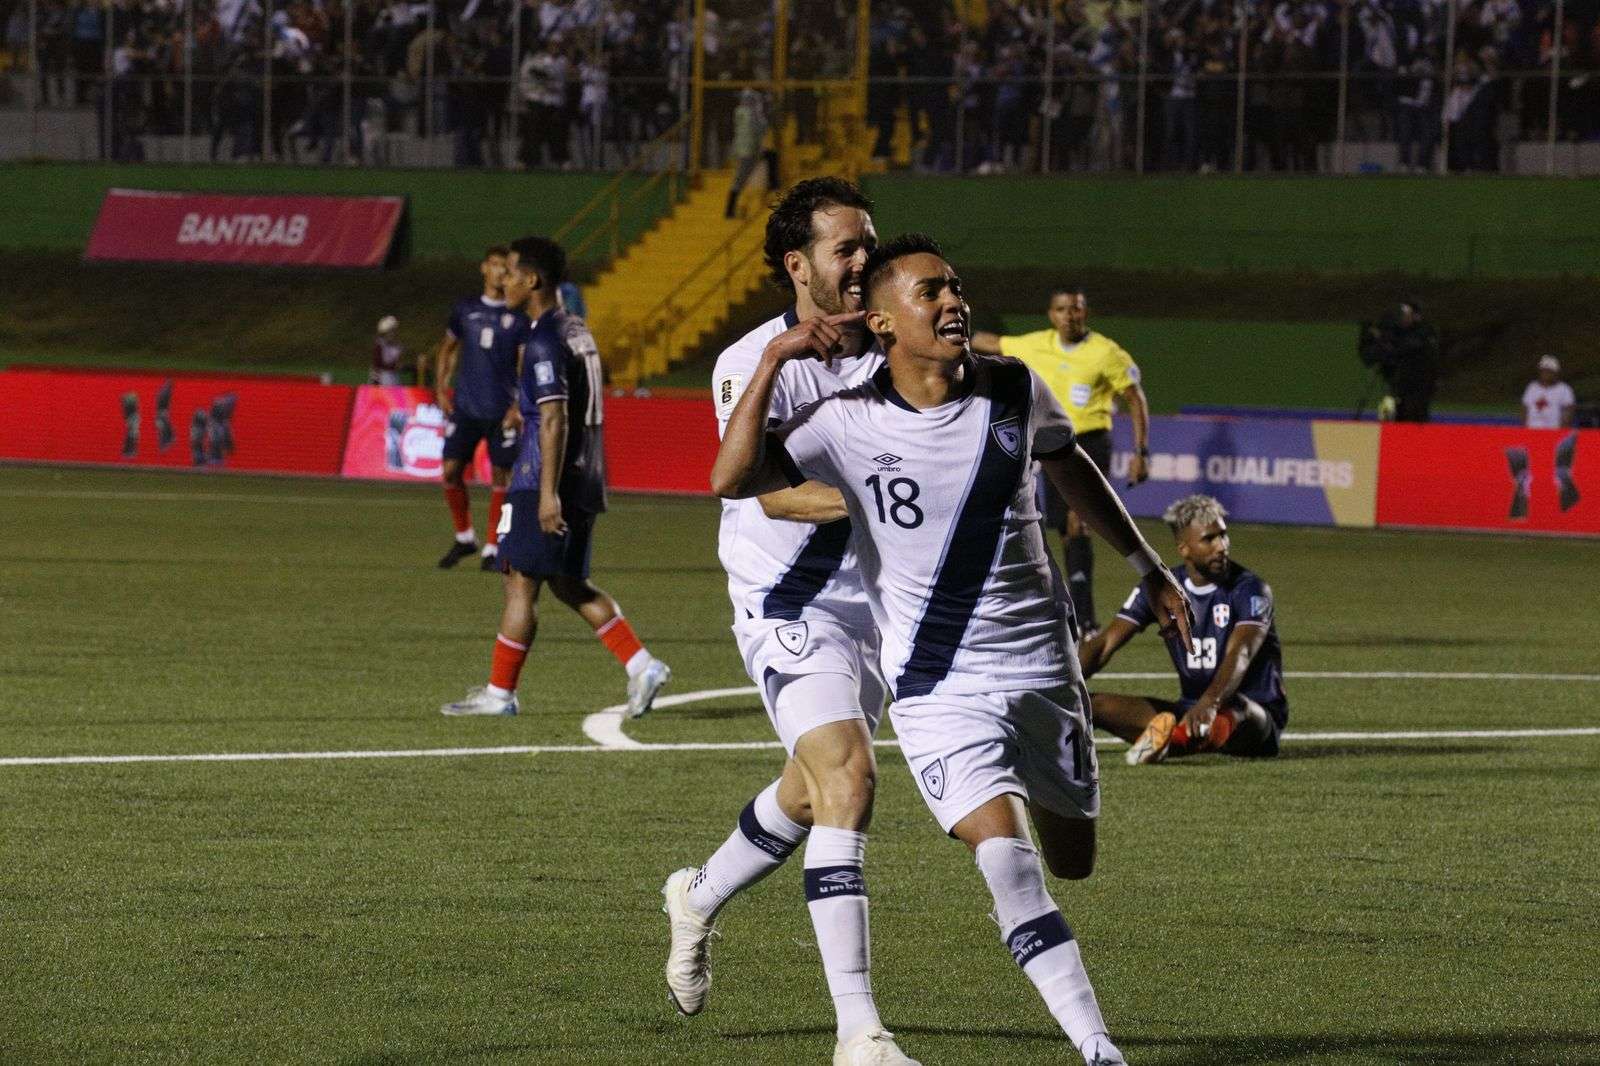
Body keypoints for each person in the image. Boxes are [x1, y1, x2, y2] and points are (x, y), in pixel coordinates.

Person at [711, 233, 1194, 1066]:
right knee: (1005, 860)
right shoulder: (843, 420)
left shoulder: (1012, 387)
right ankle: (1098, 1047)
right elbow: (733, 477)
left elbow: (1069, 464)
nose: (953, 302)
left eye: (956, 287)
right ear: (883, 323)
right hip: (937, 685)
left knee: (1070, 857)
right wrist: (776, 360)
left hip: (1045, 671)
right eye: (930, 292)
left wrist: (1148, 567)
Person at [659, 179, 906, 1066]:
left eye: (869, 245)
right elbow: (769, 491)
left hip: (876, 608)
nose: (863, 263)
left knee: (808, 793)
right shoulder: (751, 359)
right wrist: (888, 502)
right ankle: (860, 1033)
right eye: (846, 248)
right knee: (849, 775)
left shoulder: (894, 347)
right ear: (798, 266)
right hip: (787, 604)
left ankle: (697, 895)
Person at [440, 236, 671, 719]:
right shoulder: (576, 331)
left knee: (520, 581)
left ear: (534, 280)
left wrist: (546, 494)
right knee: (567, 583)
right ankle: (641, 664)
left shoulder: (544, 338)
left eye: (513, 274)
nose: (505, 281)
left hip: (546, 478)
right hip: (585, 475)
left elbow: (554, 419)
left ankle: (500, 694)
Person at [971, 287, 1150, 640]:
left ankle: (1085, 620)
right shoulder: (1036, 344)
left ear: (1086, 312)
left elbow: (1134, 396)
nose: (1070, 315)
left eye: (1077, 309)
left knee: (1077, 522)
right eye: (1062, 309)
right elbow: (989, 343)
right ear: (1051, 315)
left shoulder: (1106, 352)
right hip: (1048, 443)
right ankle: (1072, 613)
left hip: (1090, 441)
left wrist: (1141, 452)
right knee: (1064, 532)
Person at [1080, 494, 1287, 765]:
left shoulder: (1250, 589)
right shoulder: (1162, 589)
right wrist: (1062, 682)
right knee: (1089, 706)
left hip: (1253, 715)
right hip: (1192, 709)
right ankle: (1171, 739)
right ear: (1184, 549)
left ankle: (1169, 742)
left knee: (1237, 709)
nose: (1221, 546)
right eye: (1209, 539)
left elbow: (1242, 653)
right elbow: (1105, 643)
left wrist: (1211, 703)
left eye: (1223, 535)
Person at [432, 246, 520, 572]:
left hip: (501, 412)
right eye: (495, 265)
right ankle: (465, 537)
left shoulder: (518, 315)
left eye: (505, 268)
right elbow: (448, 349)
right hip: (467, 408)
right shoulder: (465, 309)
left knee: (503, 479)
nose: (500, 272)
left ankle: (497, 545)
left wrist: (518, 405)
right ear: (484, 268)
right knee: (451, 471)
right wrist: (441, 387)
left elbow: (526, 365)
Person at [1359, 300, 1439, 423]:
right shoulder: (1398, 333)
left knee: (1412, 418)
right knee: (1390, 415)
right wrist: (1369, 339)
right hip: (1396, 390)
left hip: (1416, 391)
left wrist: (1383, 339)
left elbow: (1405, 349)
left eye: (1408, 314)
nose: (1404, 318)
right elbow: (1370, 358)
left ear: (1416, 316)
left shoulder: (1423, 333)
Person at [723, 87, 771, 219]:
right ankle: (732, 210)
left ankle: (732, 209)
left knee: (740, 179)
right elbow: (759, 129)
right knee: (742, 180)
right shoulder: (752, 114)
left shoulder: (740, 112)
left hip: (741, 149)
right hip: (750, 150)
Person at [1521, 355, 1576, 429]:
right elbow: (1525, 409)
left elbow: (1568, 412)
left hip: (1553, 432)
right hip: (1532, 431)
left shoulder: (1564, 389)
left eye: (1549, 371)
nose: (1546, 373)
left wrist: (1561, 432)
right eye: (1543, 370)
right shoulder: (1532, 387)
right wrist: (1525, 430)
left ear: (1556, 373)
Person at [370, 316, 404, 386]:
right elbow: (377, 364)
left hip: (393, 377)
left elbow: (399, 362)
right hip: (382, 377)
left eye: (394, 331)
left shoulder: (398, 346)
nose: (393, 334)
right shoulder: (379, 345)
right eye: (391, 331)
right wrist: (375, 380)